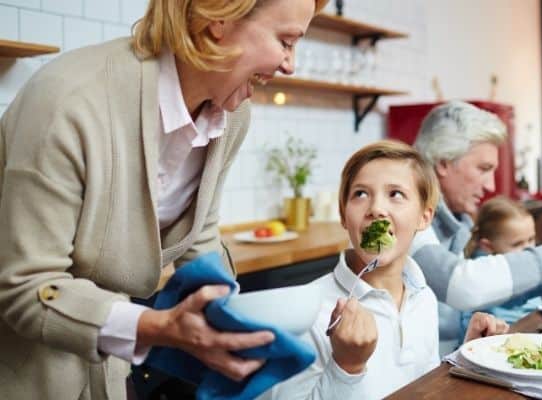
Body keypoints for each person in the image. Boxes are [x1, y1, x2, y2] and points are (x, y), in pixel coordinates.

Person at [0, 0, 327, 398]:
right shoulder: (69, 100)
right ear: (218, 19)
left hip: (109, 364)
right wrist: (158, 329)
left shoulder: (231, 116)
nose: (290, 64)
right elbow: (27, 286)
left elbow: (201, 237)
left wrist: (234, 326)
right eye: (286, 41)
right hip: (24, 366)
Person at [265, 140, 509, 400]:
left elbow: (421, 384)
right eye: (360, 194)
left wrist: (466, 356)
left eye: (396, 194)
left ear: (424, 217)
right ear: (343, 215)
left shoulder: (423, 296)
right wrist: (346, 367)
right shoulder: (308, 313)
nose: (376, 209)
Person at [409, 100, 542, 344]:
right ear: (443, 162)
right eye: (483, 168)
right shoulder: (406, 215)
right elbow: (462, 285)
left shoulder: (452, 221)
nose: (490, 186)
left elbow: (485, 292)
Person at [459, 196, 542, 331]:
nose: (529, 249)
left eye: (531, 239)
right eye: (517, 244)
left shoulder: (529, 264)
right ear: (488, 246)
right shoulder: (481, 275)